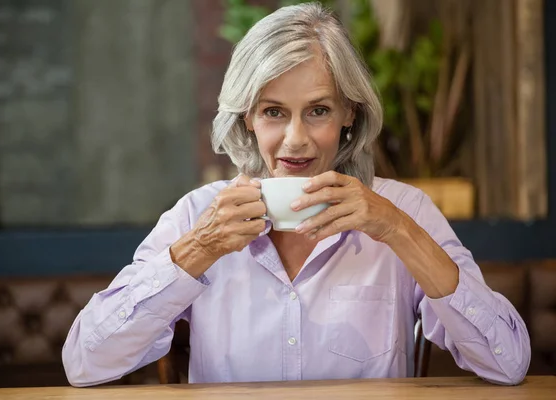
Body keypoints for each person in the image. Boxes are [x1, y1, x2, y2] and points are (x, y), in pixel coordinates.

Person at [62, 2, 530, 386]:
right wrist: (198, 249)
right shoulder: (198, 215)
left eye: (318, 110)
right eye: (273, 112)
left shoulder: (403, 211)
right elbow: (86, 362)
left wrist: (396, 230)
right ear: (247, 117)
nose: (295, 140)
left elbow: (506, 363)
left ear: (349, 112)